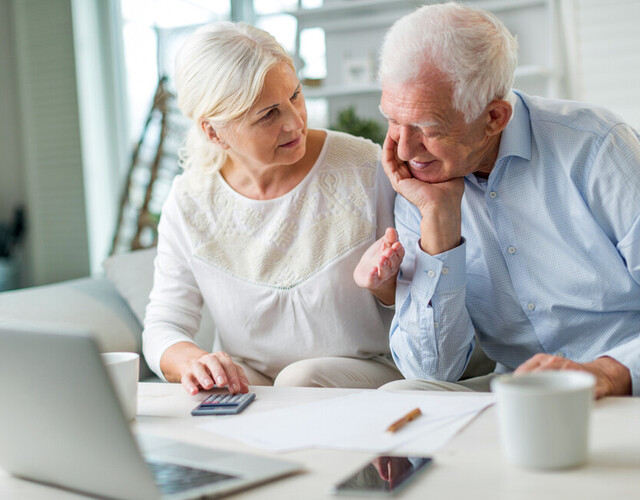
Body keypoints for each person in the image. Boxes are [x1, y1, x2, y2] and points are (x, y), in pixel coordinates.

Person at [358, 2, 640, 398]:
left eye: (427, 127)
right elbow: (430, 370)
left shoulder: (597, 146)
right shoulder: (419, 182)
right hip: (518, 393)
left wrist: (611, 373)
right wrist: (438, 222)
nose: (403, 149)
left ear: (494, 117)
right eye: (392, 120)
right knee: (402, 397)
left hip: (625, 383)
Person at [142, 22, 405, 395]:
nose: (295, 122)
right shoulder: (189, 202)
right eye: (268, 115)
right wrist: (193, 362)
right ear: (214, 132)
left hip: (369, 375)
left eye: (295, 96)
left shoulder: (364, 167)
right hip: (257, 386)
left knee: (299, 380)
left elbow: (427, 298)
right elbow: (163, 325)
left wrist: (387, 284)